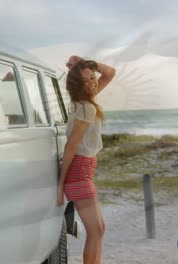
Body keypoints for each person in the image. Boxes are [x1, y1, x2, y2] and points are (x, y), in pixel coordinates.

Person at [57, 55, 115, 264]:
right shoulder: (86, 107)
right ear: (77, 85)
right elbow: (71, 145)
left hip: (84, 170)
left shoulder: (85, 102)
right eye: (87, 80)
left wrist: (87, 63)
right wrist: (61, 184)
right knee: (96, 231)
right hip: (79, 171)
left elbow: (109, 73)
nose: (93, 82)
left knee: (99, 230)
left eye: (93, 77)